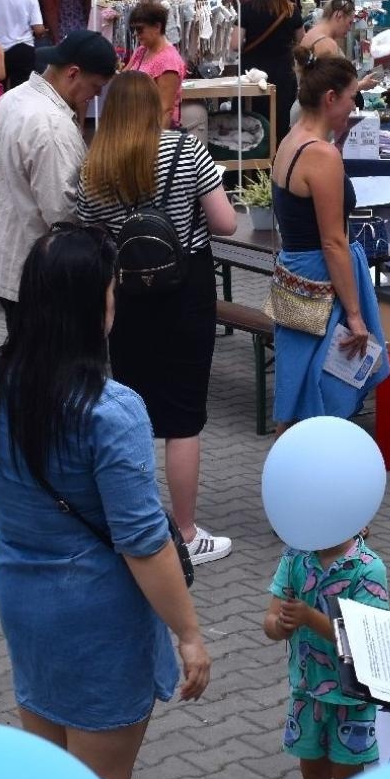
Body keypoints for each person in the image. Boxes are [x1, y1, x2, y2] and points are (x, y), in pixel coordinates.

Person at [0, 224, 211, 779]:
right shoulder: (111, 408)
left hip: (23, 600)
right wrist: (190, 634)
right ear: (92, 303)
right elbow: (144, 544)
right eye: (111, 291)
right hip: (97, 615)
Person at [77, 71, 238, 567]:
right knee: (183, 416)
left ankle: (135, 524)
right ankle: (186, 532)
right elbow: (226, 223)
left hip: (126, 295)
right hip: (185, 289)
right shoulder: (187, 151)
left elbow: (89, 232)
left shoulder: (95, 165)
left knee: (133, 411)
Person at [270, 48, 390, 426]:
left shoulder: (292, 139)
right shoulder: (321, 154)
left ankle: (289, 475)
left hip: (294, 272)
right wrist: (355, 315)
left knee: (298, 385)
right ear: (330, 98)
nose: (354, 106)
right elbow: (333, 241)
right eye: (352, 96)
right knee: (325, 388)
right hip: (324, 277)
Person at [0, 31, 118, 309]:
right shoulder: (51, 123)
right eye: (96, 86)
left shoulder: (10, 100)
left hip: (8, 259)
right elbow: (63, 211)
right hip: (40, 270)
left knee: (22, 347)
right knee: (46, 351)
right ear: (73, 73)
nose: (97, 95)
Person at [263, 529, 388, 779]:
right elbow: (271, 621)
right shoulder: (295, 556)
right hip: (306, 693)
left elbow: (364, 639)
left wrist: (309, 617)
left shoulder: (368, 568)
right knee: (313, 777)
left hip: (351, 699)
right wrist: (279, 626)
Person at [241, 0, 303, 127]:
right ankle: (278, 150)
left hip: (252, 74)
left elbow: (235, 43)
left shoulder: (247, 9)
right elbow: (302, 41)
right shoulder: (291, 10)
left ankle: (258, 149)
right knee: (280, 118)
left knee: (253, 118)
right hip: (283, 72)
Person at [124, 1, 185, 129]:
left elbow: (166, 110)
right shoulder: (142, 50)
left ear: (157, 26)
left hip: (153, 131)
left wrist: (157, 144)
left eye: (140, 29)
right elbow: (124, 77)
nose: (136, 34)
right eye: (134, 29)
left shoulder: (169, 61)